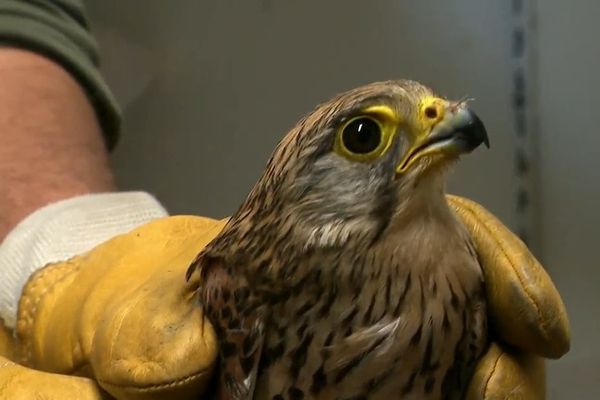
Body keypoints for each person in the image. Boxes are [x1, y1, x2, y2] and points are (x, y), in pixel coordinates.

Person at [0, 2, 569, 399]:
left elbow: (27, 20)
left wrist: (66, 233)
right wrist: (52, 259)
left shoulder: (469, 288)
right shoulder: (243, 297)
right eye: (365, 137)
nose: (446, 118)